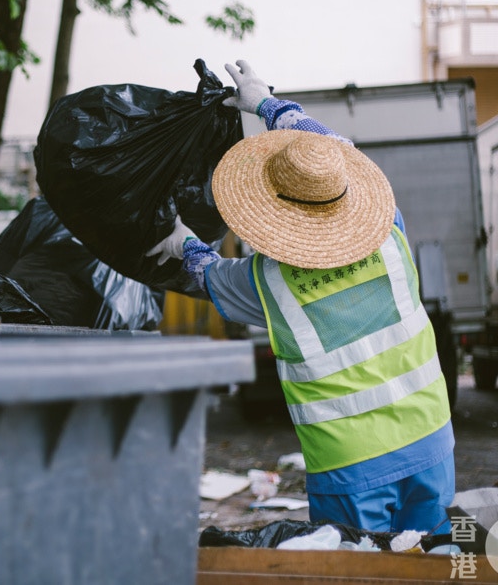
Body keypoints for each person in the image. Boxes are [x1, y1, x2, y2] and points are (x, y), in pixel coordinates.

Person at [147, 60, 455, 534]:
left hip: (349, 462)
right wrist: (268, 104)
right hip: (431, 440)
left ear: (273, 208)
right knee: (433, 559)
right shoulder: (390, 229)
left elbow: (204, 272)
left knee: (355, 568)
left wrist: (180, 239)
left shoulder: (267, 282)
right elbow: (337, 151)